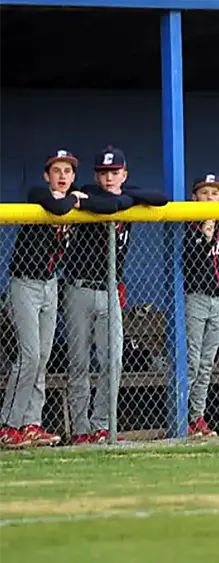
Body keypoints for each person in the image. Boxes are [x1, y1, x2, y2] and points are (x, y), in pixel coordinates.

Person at [0, 150, 120, 449]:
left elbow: (113, 202)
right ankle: (9, 425)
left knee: (42, 357)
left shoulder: (77, 196)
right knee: (29, 356)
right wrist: (77, 199)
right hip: (25, 283)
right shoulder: (38, 194)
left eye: (67, 171)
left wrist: (82, 199)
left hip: (51, 284)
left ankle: (31, 423)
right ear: (47, 175)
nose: (62, 176)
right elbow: (56, 205)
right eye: (57, 171)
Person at [63, 146, 168, 444]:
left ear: (124, 174)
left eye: (114, 172)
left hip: (110, 291)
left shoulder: (127, 195)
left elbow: (160, 198)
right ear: (96, 176)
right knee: (79, 363)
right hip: (80, 288)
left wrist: (126, 198)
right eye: (103, 173)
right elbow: (106, 205)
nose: (108, 178)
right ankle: (81, 430)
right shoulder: (87, 191)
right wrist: (116, 201)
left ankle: (102, 426)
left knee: (113, 361)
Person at [183, 173, 219, 438]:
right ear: (194, 197)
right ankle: (181, 416)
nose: (209, 198)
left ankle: (197, 418)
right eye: (204, 193)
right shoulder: (187, 224)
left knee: (206, 364)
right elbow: (187, 263)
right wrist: (203, 238)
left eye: (215, 193)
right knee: (191, 362)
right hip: (195, 297)